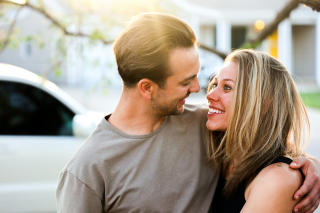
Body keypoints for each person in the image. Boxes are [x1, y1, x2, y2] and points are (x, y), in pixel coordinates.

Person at [56, 13, 320, 213]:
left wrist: (308, 164)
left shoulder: (203, 124)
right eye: (185, 82)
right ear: (147, 88)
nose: (199, 89)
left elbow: (260, 133)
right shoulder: (86, 172)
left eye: (199, 76)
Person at [206, 49, 315, 213]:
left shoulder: (278, 178)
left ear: (265, 102)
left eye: (227, 87)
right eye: (214, 84)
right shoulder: (216, 148)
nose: (210, 95)